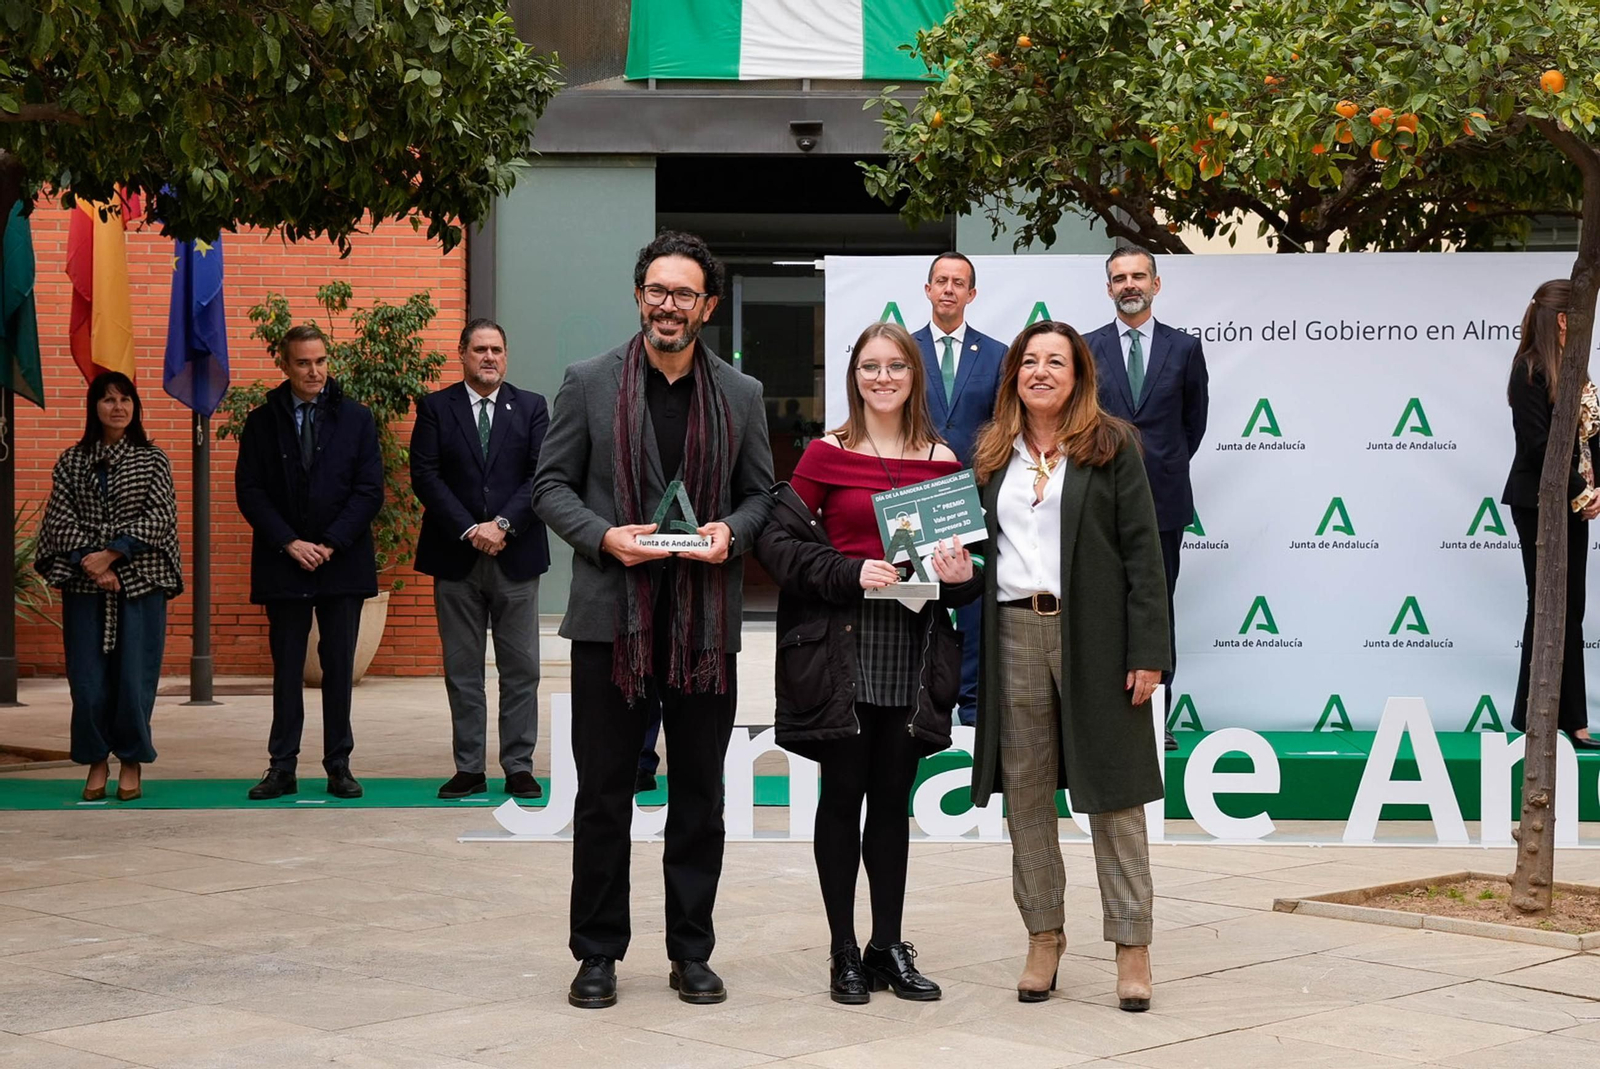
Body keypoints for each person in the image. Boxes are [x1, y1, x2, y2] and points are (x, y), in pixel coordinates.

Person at [533, 231, 774, 1010]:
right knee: (602, 794)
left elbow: (762, 494)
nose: (670, 306)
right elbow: (550, 486)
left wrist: (729, 533)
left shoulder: (741, 393)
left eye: (685, 294)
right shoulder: (588, 381)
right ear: (640, 296)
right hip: (612, 623)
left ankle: (691, 951)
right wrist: (604, 536)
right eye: (657, 291)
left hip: (704, 632)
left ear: (707, 305)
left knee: (700, 795)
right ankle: (597, 952)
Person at [755, 321, 980, 1005]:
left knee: (892, 801)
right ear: (854, 377)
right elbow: (776, 544)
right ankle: (843, 950)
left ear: (915, 375)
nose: (882, 378)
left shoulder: (943, 459)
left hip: (912, 650)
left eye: (895, 367)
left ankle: (886, 945)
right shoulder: (827, 453)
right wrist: (852, 570)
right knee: (843, 796)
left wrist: (963, 571)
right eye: (869, 367)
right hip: (841, 648)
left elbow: (963, 577)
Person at [969, 320, 1170, 1011]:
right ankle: (1043, 936)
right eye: (1030, 361)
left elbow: (1145, 555)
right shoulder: (994, 453)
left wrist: (1149, 652)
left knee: (1114, 794)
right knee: (1025, 793)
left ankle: (1132, 944)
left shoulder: (1110, 446)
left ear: (1079, 373)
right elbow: (975, 554)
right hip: (1014, 631)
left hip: (1096, 638)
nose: (1041, 371)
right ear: (1014, 377)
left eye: (1056, 361)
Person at [235, 324, 384, 800]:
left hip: (341, 564)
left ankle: (339, 764)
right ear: (284, 364)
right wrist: (289, 542)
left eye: (320, 361)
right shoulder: (262, 421)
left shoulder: (358, 419)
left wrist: (331, 543)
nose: (314, 371)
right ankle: (282, 766)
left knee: (338, 669)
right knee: (286, 670)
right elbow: (250, 491)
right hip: (285, 563)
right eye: (303, 362)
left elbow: (368, 491)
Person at [411, 318, 552, 799]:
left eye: (496, 350)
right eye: (479, 350)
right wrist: (471, 528)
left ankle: (518, 765)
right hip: (456, 557)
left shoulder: (532, 407)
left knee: (521, 669)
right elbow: (426, 477)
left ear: (505, 356)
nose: (489, 357)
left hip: (516, 556)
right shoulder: (435, 408)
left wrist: (503, 525)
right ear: (462, 354)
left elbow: (541, 476)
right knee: (463, 669)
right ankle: (469, 768)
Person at [35, 372, 182, 803]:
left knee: (134, 677)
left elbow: (161, 516)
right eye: (108, 400)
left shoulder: (153, 459)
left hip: (139, 585)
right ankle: (96, 759)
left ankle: (131, 759)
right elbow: (59, 521)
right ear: (93, 407)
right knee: (88, 680)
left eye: (125, 399)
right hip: (85, 585)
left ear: (135, 407)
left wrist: (115, 553)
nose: (117, 407)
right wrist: (91, 561)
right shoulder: (71, 460)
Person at [1084, 245, 1208, 751]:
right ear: (1109, 288)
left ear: (1156, 285)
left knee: (1157, 608)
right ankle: (1101, 713)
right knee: (1100, 608)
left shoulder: (1184, 349)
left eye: (1138, 276)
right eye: (1119, 278)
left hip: (1163, 502)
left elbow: (1192, 426)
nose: (1129, 284)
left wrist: (1161, 464)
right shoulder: (1087, 348)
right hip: (1098, 502)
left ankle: (1159, 717)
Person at [912, 251, 1007, 727]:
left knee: (971, 602)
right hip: (916, 497)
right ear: (927, 290)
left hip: (977, 494)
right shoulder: (903, 352)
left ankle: (971, 709)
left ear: (971, 294)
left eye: (959, 283)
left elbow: (1004, 424)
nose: (948, 289)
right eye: (941, 281)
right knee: (917, 598)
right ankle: (920, 705)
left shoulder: (997, 354)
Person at [1503, 279, 1600, 750]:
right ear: (1563, 320)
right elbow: (1540, 446)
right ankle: (1531, 717)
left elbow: (1590, 438)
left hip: (1575, 502)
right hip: (1538, 505)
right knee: (1546, 604)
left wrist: (1595, 487)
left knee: (1572, 607)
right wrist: (1582, 490)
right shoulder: (1530, 371)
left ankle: (1572, 720)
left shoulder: (1576, 368)